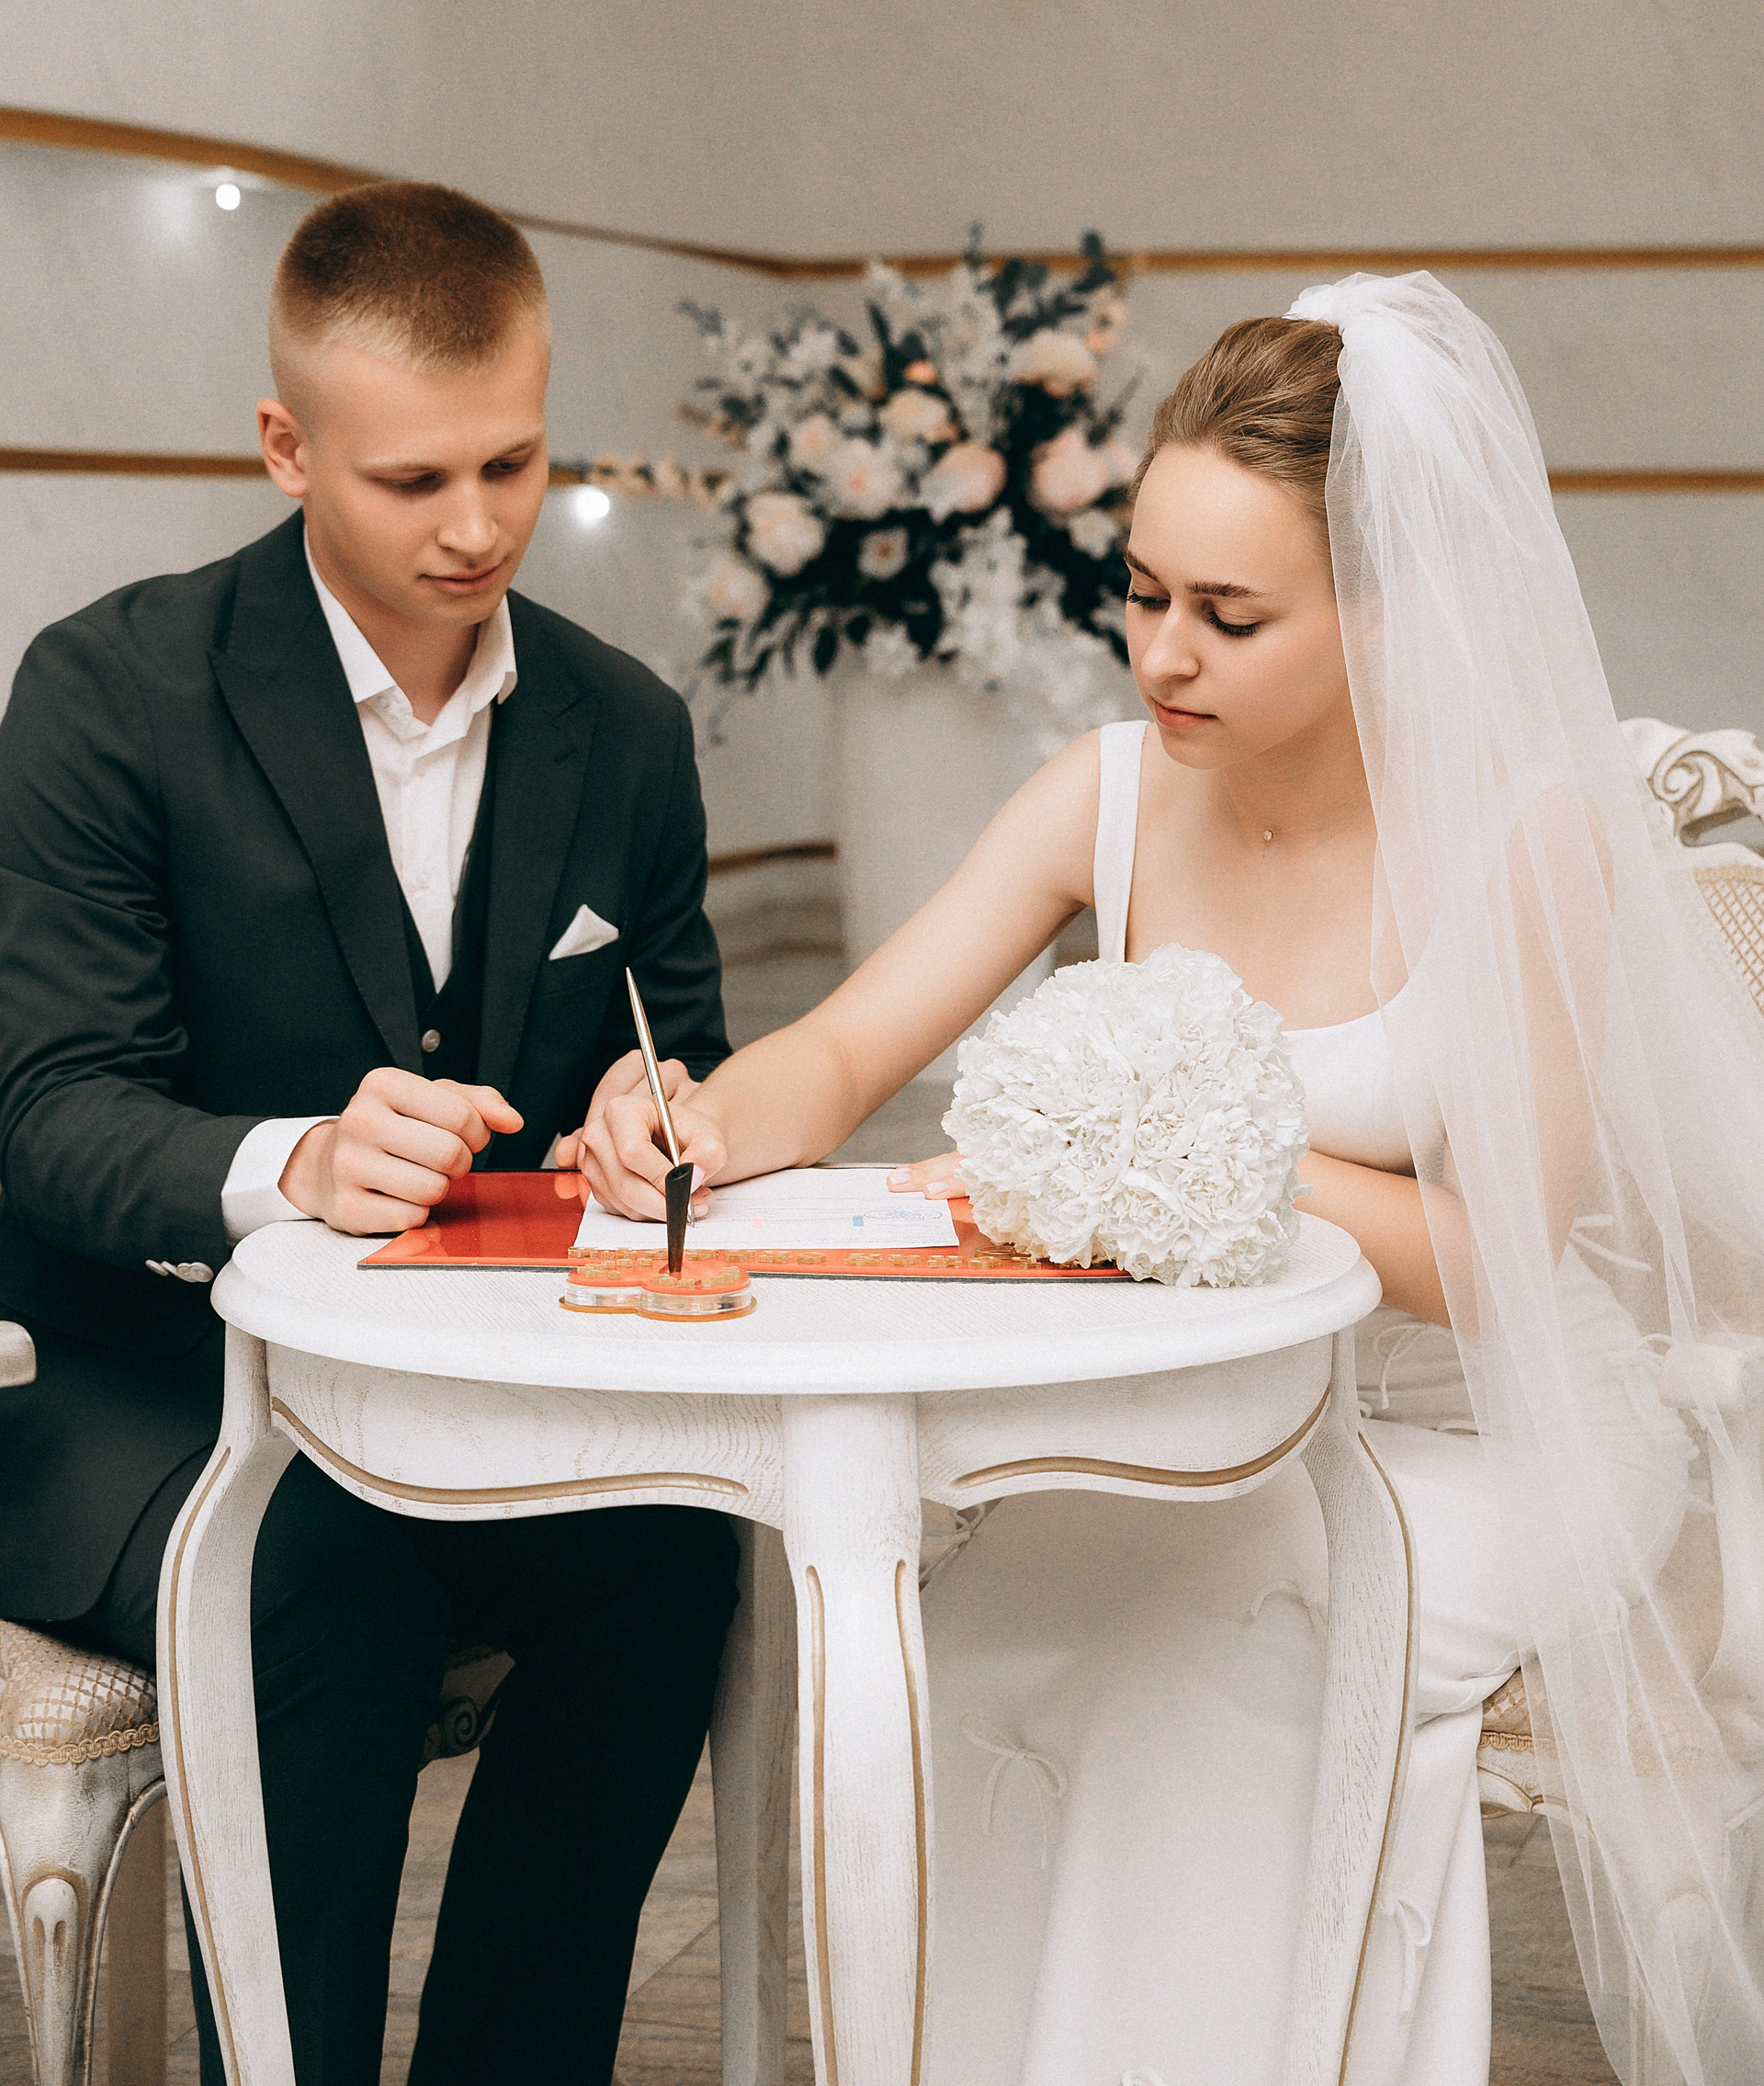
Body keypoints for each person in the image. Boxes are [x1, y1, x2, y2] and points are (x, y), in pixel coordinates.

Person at [577, 274, 1764, 2086]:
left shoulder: (1520, 837)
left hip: (1492, 1427)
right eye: (1142, 593)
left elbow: (1493, 1261)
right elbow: (848, 1048)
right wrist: (703, 1119)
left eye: (1231, 614)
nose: (1164, 656)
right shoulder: (1107, 794)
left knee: (1193, 1668)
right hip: (1205, 1420)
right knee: (977, 1639)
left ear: (1383, 611)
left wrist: (1157, 1163)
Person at [0, 182, 738, 2086]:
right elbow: (47, 1115)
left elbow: (686, 1055)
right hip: (137, 1385)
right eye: (414, 479)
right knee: (316, 1567)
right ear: (286, 445)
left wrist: (652, 1119)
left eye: (513, 461)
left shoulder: (626, 727)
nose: (478, 525)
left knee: (678, 1555)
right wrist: (296, 1167)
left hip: (481, 1384)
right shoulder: (105, 692)